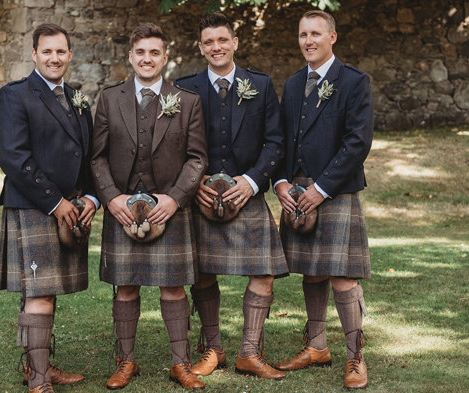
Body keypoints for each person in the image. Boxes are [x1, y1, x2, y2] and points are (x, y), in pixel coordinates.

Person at [90, 23, 208, 390]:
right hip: (123, 207)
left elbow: (197, 159)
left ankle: (181, 363)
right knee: (125, 288)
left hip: (168, 208)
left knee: (173, 287)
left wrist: (174, 198)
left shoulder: (187, 101)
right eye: (140, 52)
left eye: (154, 52)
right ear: (130, 56)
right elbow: (97, 158)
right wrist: (112, 199)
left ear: (165, 58)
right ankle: (125, 362)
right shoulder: (110, 98)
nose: (147, 59)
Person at [176, 13, 288, 380]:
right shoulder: (185, 88)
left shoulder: (260, 84)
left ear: (235, 42)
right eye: (209, 42)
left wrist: (252, 181)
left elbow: (276, 141)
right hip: (202, 195)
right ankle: (213, 349)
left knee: (264, 273)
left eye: (222, 40)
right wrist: (196, 184)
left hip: (247, 195)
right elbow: (174, 146)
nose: (216, 47)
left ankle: (249, 353)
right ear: (201, 46)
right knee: (203, 273)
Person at [0, 23, 98, 393]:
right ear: (34, 54)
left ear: (70, 55)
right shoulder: (16, 95)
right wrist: (56, 203)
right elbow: (13, 158)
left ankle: (42, 366)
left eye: (61, 52)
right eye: (47, 51)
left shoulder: (76, 98)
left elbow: (86, 156)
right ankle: (38, 379)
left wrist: (90, 197)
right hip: (34, 206)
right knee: (38, 291)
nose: (54, 58)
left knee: (47, 290)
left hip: (69, 206)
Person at [273, 10, 373, 390]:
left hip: (334, 190)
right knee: (311, 271)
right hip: (297, 191)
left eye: (316, 33)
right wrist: (282, 182)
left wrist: (321, 189)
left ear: (333, 37)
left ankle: (355, 357)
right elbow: (282, 140)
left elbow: (357, 143)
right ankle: (316, 346)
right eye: (302, 34)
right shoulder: (295, 84)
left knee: (343, 275)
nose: (308, 40)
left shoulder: (354, 81)